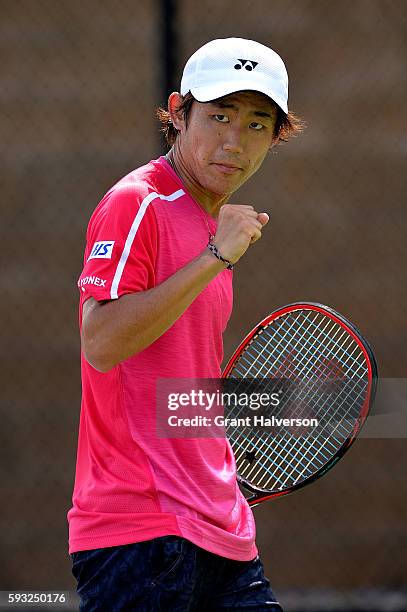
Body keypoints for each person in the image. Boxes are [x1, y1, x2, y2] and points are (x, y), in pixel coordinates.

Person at [68, 37, 302, 611]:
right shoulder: (139, 202)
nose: (234, 141)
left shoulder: (209, 224)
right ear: (177, 113)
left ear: (275, 138)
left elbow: (172, 379)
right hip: (141, 535)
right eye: (219, 116)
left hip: (223, 530)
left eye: (256, 125)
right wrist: (214, 258)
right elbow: (100, 343)